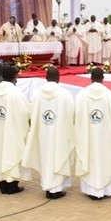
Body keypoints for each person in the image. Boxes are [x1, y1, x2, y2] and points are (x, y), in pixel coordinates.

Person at [22, 67, 74, 199]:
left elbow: (32, 112)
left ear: (46, 78)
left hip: (43, 134)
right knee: (58, 156)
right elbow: (71, 114)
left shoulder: (37, 94)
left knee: (45, 158)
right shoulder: (65, 94)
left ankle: (47, 185)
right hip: (60, 134)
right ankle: (56, 188)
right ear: (58, 78)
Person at [74, 68, 111, 200]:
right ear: (103, 78)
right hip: (105, 136)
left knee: (90, 156)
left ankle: (90, 189)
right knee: (105, 158)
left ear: (90, 78)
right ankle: (106, 190)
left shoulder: (82, 95)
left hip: (88, 137)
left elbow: (77, 115)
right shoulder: (110, 95)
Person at [0, 65, 30, 194]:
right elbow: (25, 112)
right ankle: (12, 185)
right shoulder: (16, 93)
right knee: (11, 153)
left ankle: (2, 184)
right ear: (15, 77)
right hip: (11, 132)